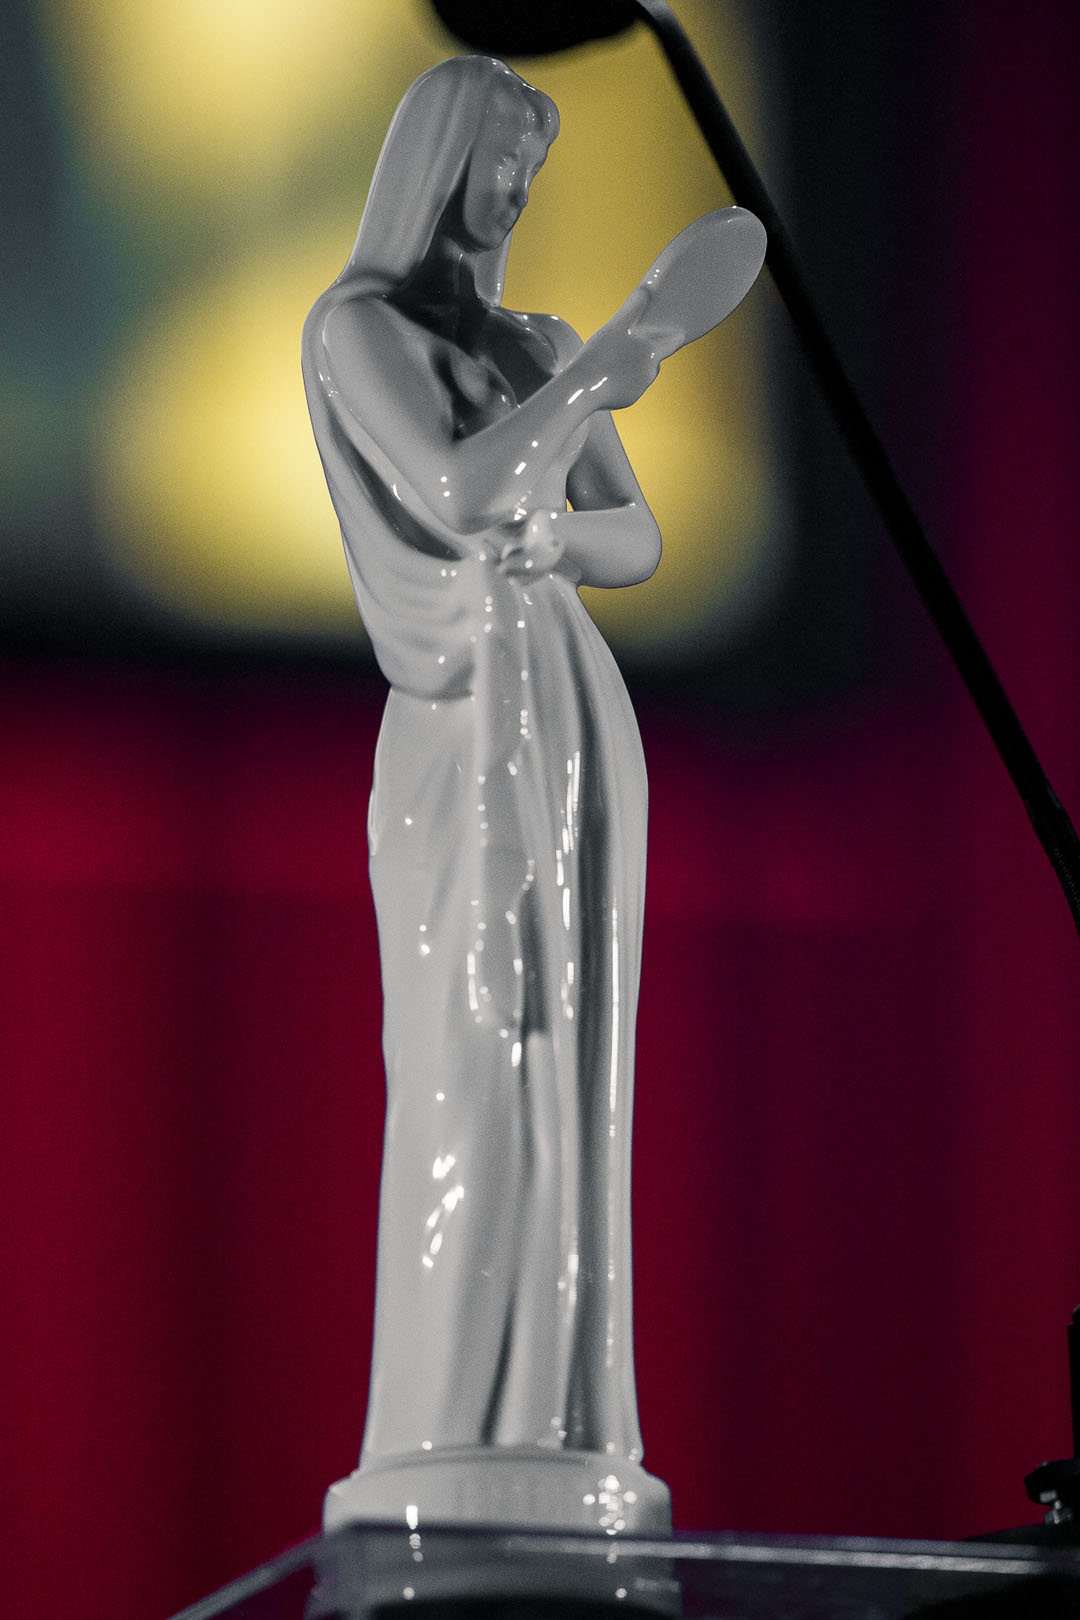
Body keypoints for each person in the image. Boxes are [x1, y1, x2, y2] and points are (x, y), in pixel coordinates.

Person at [303, 54, 671, 1530]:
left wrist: (566, 533)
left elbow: (637, 537)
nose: (514, 191)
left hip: (569, 696)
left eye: (533, 165)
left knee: (573, 1061)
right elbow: (458, 492)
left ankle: (564, 1415)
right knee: (474, 1049)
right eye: (496, 159)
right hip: (461, 714)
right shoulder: (357, 330)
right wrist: (601, 373)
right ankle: (446, 1420)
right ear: (436, 161)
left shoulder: (540, 342)